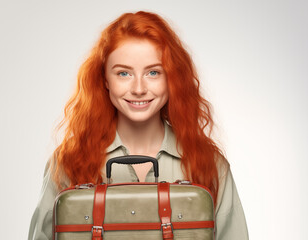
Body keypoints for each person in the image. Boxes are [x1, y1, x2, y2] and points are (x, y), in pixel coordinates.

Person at [28, 11, 248, 240]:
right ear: (104, 79)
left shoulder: (209, 162)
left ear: (171, 77)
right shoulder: (69, 161)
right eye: (123, 73)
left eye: (153, 72)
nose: (139, 88)